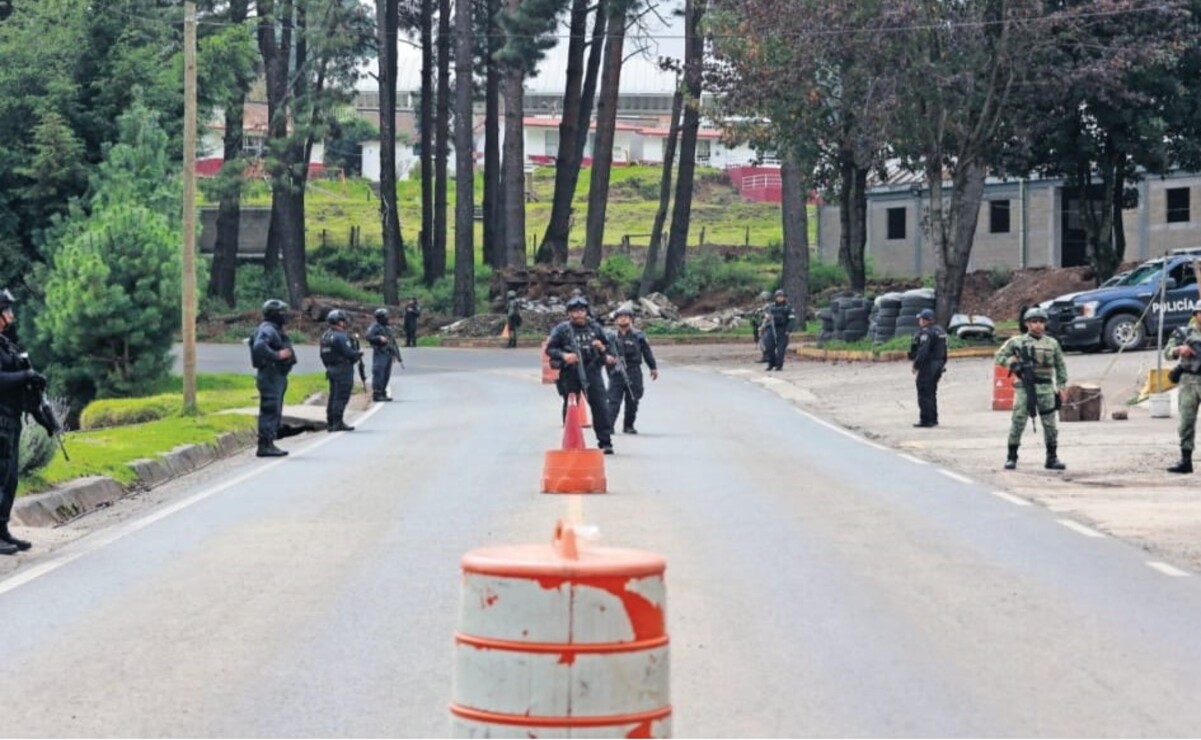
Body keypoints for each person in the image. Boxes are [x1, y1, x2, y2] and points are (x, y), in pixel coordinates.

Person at [995, 306, 1068, 470]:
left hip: (1046, 387)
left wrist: (1062, 386)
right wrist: (1013, 364)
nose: (1038, 325)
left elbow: (1060, 366)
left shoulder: (1052, 343)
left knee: (1050, 424)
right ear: (1027, 324)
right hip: (1024, 387)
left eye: (1041, 321)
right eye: (1034, 321)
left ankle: (1052, 457)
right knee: (1018, 420)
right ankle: (1011, 456)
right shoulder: (1016, 342)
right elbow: (999, 356)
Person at [545, 296, 616, 454]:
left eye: (582, 310)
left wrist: (603, 349)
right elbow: (550, 349)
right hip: (571, 372)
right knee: (571, 406)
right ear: (569, 313)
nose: (579, 314)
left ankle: (605, 442)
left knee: (600, 406)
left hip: (592, 371)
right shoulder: (562, 329)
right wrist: (564, 355)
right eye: (575, 311)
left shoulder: (595, 328)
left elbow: (609, 347)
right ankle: (570, 441)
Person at [0, 289, 37, 553]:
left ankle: (2, 530)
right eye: (6, 310)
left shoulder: (4, 343)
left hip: (10, 419)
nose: (11, 316)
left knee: (10, 478)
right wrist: (26, 376)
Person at [250, 298, 297, 458]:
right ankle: (265, 445)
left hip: (275, 375)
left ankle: (269, 441)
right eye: (283, 313)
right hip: (270, 375)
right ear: (275, 314)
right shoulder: (268, 329)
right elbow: (259, 346)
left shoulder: (272, 328)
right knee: (270, 409)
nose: (286, 316)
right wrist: (278, 355)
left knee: (274, 409)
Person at [606, 307, 660, 434]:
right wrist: (607, 358)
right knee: (613, 400)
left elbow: (647, 352)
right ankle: (608, 426)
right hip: (616, 372)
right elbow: (602, 351)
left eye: (626, 317)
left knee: (633, 399)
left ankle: (628, 426)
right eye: (620, 317)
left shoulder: (638, 335)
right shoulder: (610, 336)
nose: (623, 319)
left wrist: (653, 367)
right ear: (616, 320)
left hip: (633, 370)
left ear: (631, 319)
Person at [1163, 305, 1201, 473]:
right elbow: (1167, 353)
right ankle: (1186, 460)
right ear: (1196, 314)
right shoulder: (1185, 333)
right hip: (1189, 381)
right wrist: (1179, 350)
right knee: (1186, 422)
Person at [320, 309, 362, 432]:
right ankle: (337, 422)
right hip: (343, 369)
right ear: (339, 322)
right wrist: (358, 353)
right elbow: (348, 352)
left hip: (331, 368)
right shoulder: (341, 336)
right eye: (343, 321)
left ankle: (331, 422)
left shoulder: (325, 336)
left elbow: (323, 355)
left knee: (333, 395)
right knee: (341, 396)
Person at [908, 308, 948, 428]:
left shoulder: (926, 333)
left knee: (924, 392)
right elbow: (945, 350)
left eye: (920, 319)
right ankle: (933, 418)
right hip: (939, 363)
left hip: (928, 365)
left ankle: (926, 420)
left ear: (925, 320)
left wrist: (916, 365)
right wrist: (942, 364)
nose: (919, 321)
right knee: (931, 392)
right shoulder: (940, 331)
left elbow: (923, 352)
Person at [366, 307, 399, 402]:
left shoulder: (387, 327)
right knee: (379, 373)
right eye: (385, 316)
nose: (387, 318)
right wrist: (379, 338)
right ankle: (377, 393)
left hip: (388, 353)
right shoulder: (375, 327)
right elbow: (368, 337)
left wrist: (396, 354)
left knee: (386, 374)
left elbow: (393, 342)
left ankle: (383, 392)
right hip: (380, 352)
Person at [762, 289, 798, 371]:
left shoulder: (788, 307)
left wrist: (788, 330)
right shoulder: (771, 306)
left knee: (780, 349)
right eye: (778, 297)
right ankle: (771, 364)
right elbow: (764, 314)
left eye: (781, 297)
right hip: (772, 328)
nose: (779, 298)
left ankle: (779, 365)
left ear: (784, 297)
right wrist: (766, 316)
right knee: (769, 347)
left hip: (783, 329)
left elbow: (792, 319)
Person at [751, 291, 771, 363]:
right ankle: (765, 356)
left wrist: (763, 325)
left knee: (764, 341)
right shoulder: (764, 307)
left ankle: (767, 356)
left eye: (763, 298)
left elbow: (767, 317)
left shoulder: (768, 306)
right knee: (761, 341)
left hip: (766, 325)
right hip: (762, 325)